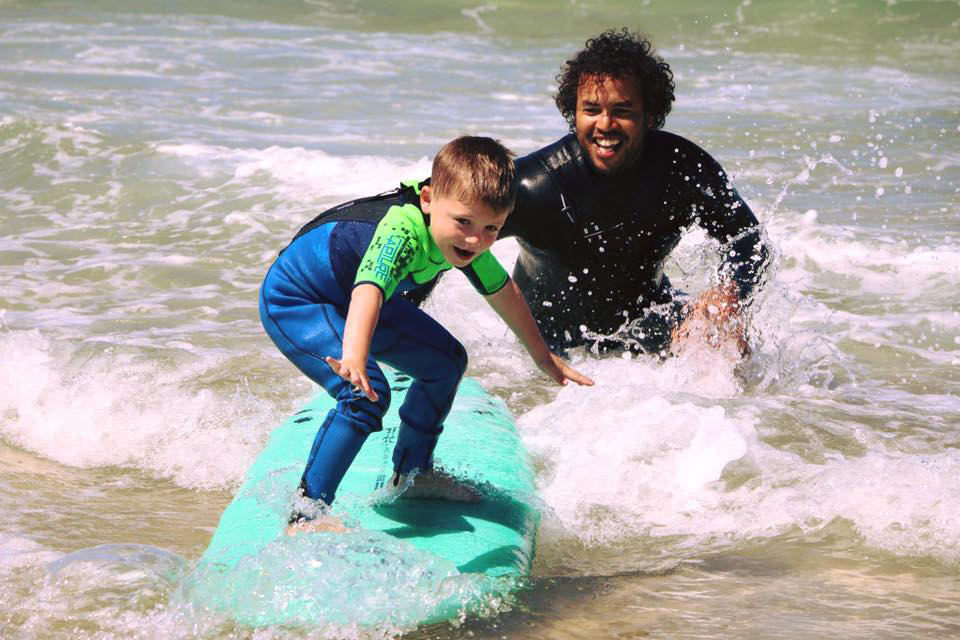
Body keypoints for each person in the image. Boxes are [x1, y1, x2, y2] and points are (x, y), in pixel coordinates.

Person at [259, 136, 593, 531]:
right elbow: (369, 287)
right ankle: (306, 514)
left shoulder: (465, 236)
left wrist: (543, 356)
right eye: (464, 222)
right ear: (429, 200)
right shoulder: (401, 231)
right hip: (299, 300)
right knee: (364, 394)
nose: (475, 239)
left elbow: (503, 291)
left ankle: (414, 475)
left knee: (446, 361)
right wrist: (354, 354)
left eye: (491, 228)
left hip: (356, 300)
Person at [499, 28, 770, 357]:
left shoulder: (682, 170)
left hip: (648, 328)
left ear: (650, 115)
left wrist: (729, 294)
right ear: (574, 113)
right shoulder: (535, 185)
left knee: (727, 340)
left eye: (622, 111)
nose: (605, 125)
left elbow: (747, 240)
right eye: (592, 110)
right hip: (553, 350)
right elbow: (442, 225)